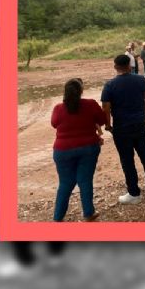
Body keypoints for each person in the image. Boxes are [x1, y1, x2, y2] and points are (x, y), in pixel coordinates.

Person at [0, 34, 65, 279]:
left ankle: (25, 258)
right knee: (48, 193)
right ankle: (55, 250)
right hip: (17, 143)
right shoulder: (11, 76)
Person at [101, 54, 145, 204]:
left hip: (121, 128)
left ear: (115, 67)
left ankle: (134, 193)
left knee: (127, 160)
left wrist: (108, 125)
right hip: (139, 124)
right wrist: (142, 113)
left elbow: (105, 107)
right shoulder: (140, 79)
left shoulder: (110, 85)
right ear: (129, 65)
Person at [50, 78, 105, 222]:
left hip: (62, 151)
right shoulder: (91, 104)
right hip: (88, 148)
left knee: (65, 183)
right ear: (81, 91)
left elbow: (54, 124)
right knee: (85, 180)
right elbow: (103, 119)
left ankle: (58, 217)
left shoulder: (58, 108)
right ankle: (88, 213)